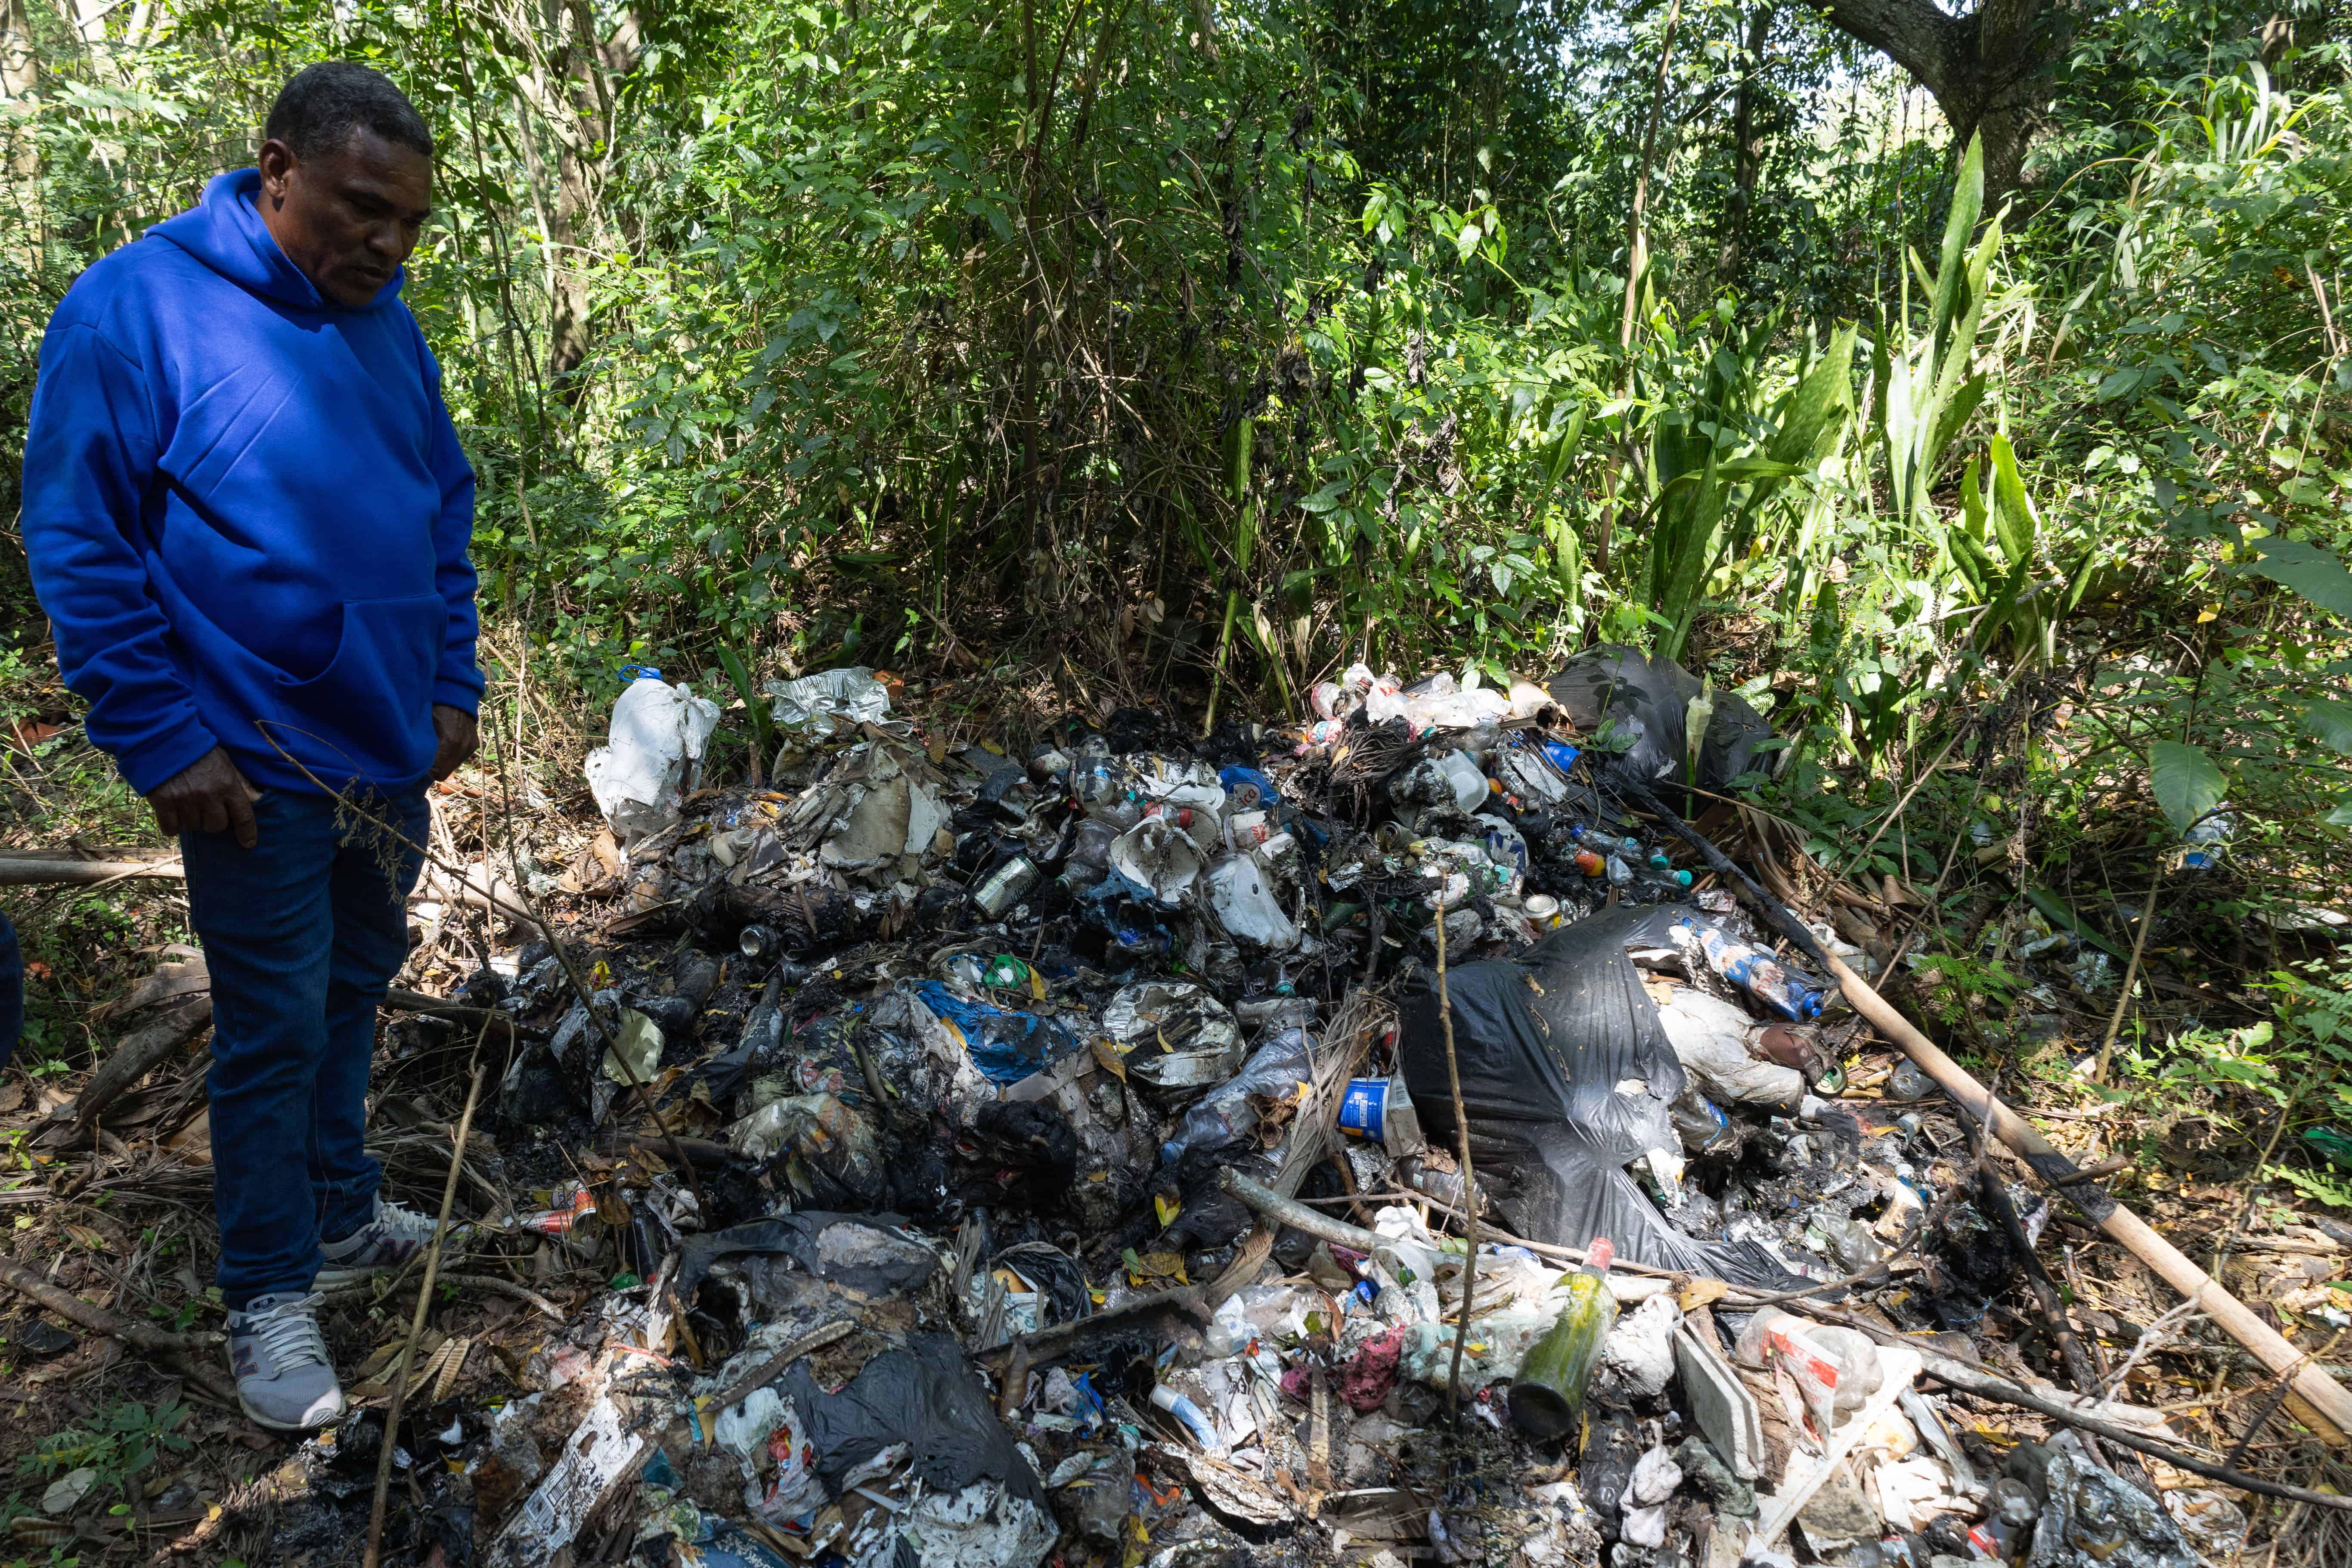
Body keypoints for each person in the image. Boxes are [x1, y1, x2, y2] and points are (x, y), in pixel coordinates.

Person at [21, 62, 480, 1432]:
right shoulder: (134, 310)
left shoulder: (388, 324)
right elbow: (77, 543)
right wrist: (164, 741)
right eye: (360, 208)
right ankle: (268, 1288)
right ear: (275, 168)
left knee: (356, 987)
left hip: (385, 752)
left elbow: (443, 504)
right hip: (252, 770)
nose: (387, 244)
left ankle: (341, 1214)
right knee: (272, 1029)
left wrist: (449, 680)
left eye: (408, 221)